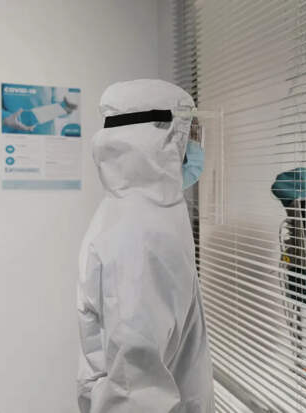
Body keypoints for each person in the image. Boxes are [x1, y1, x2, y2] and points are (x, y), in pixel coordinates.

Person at [76, 79, 213, 413]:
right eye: (188, 133)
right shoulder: (141, 233)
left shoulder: (141, 211)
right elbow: (134, 392)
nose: (193, 146)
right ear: (160, 135)